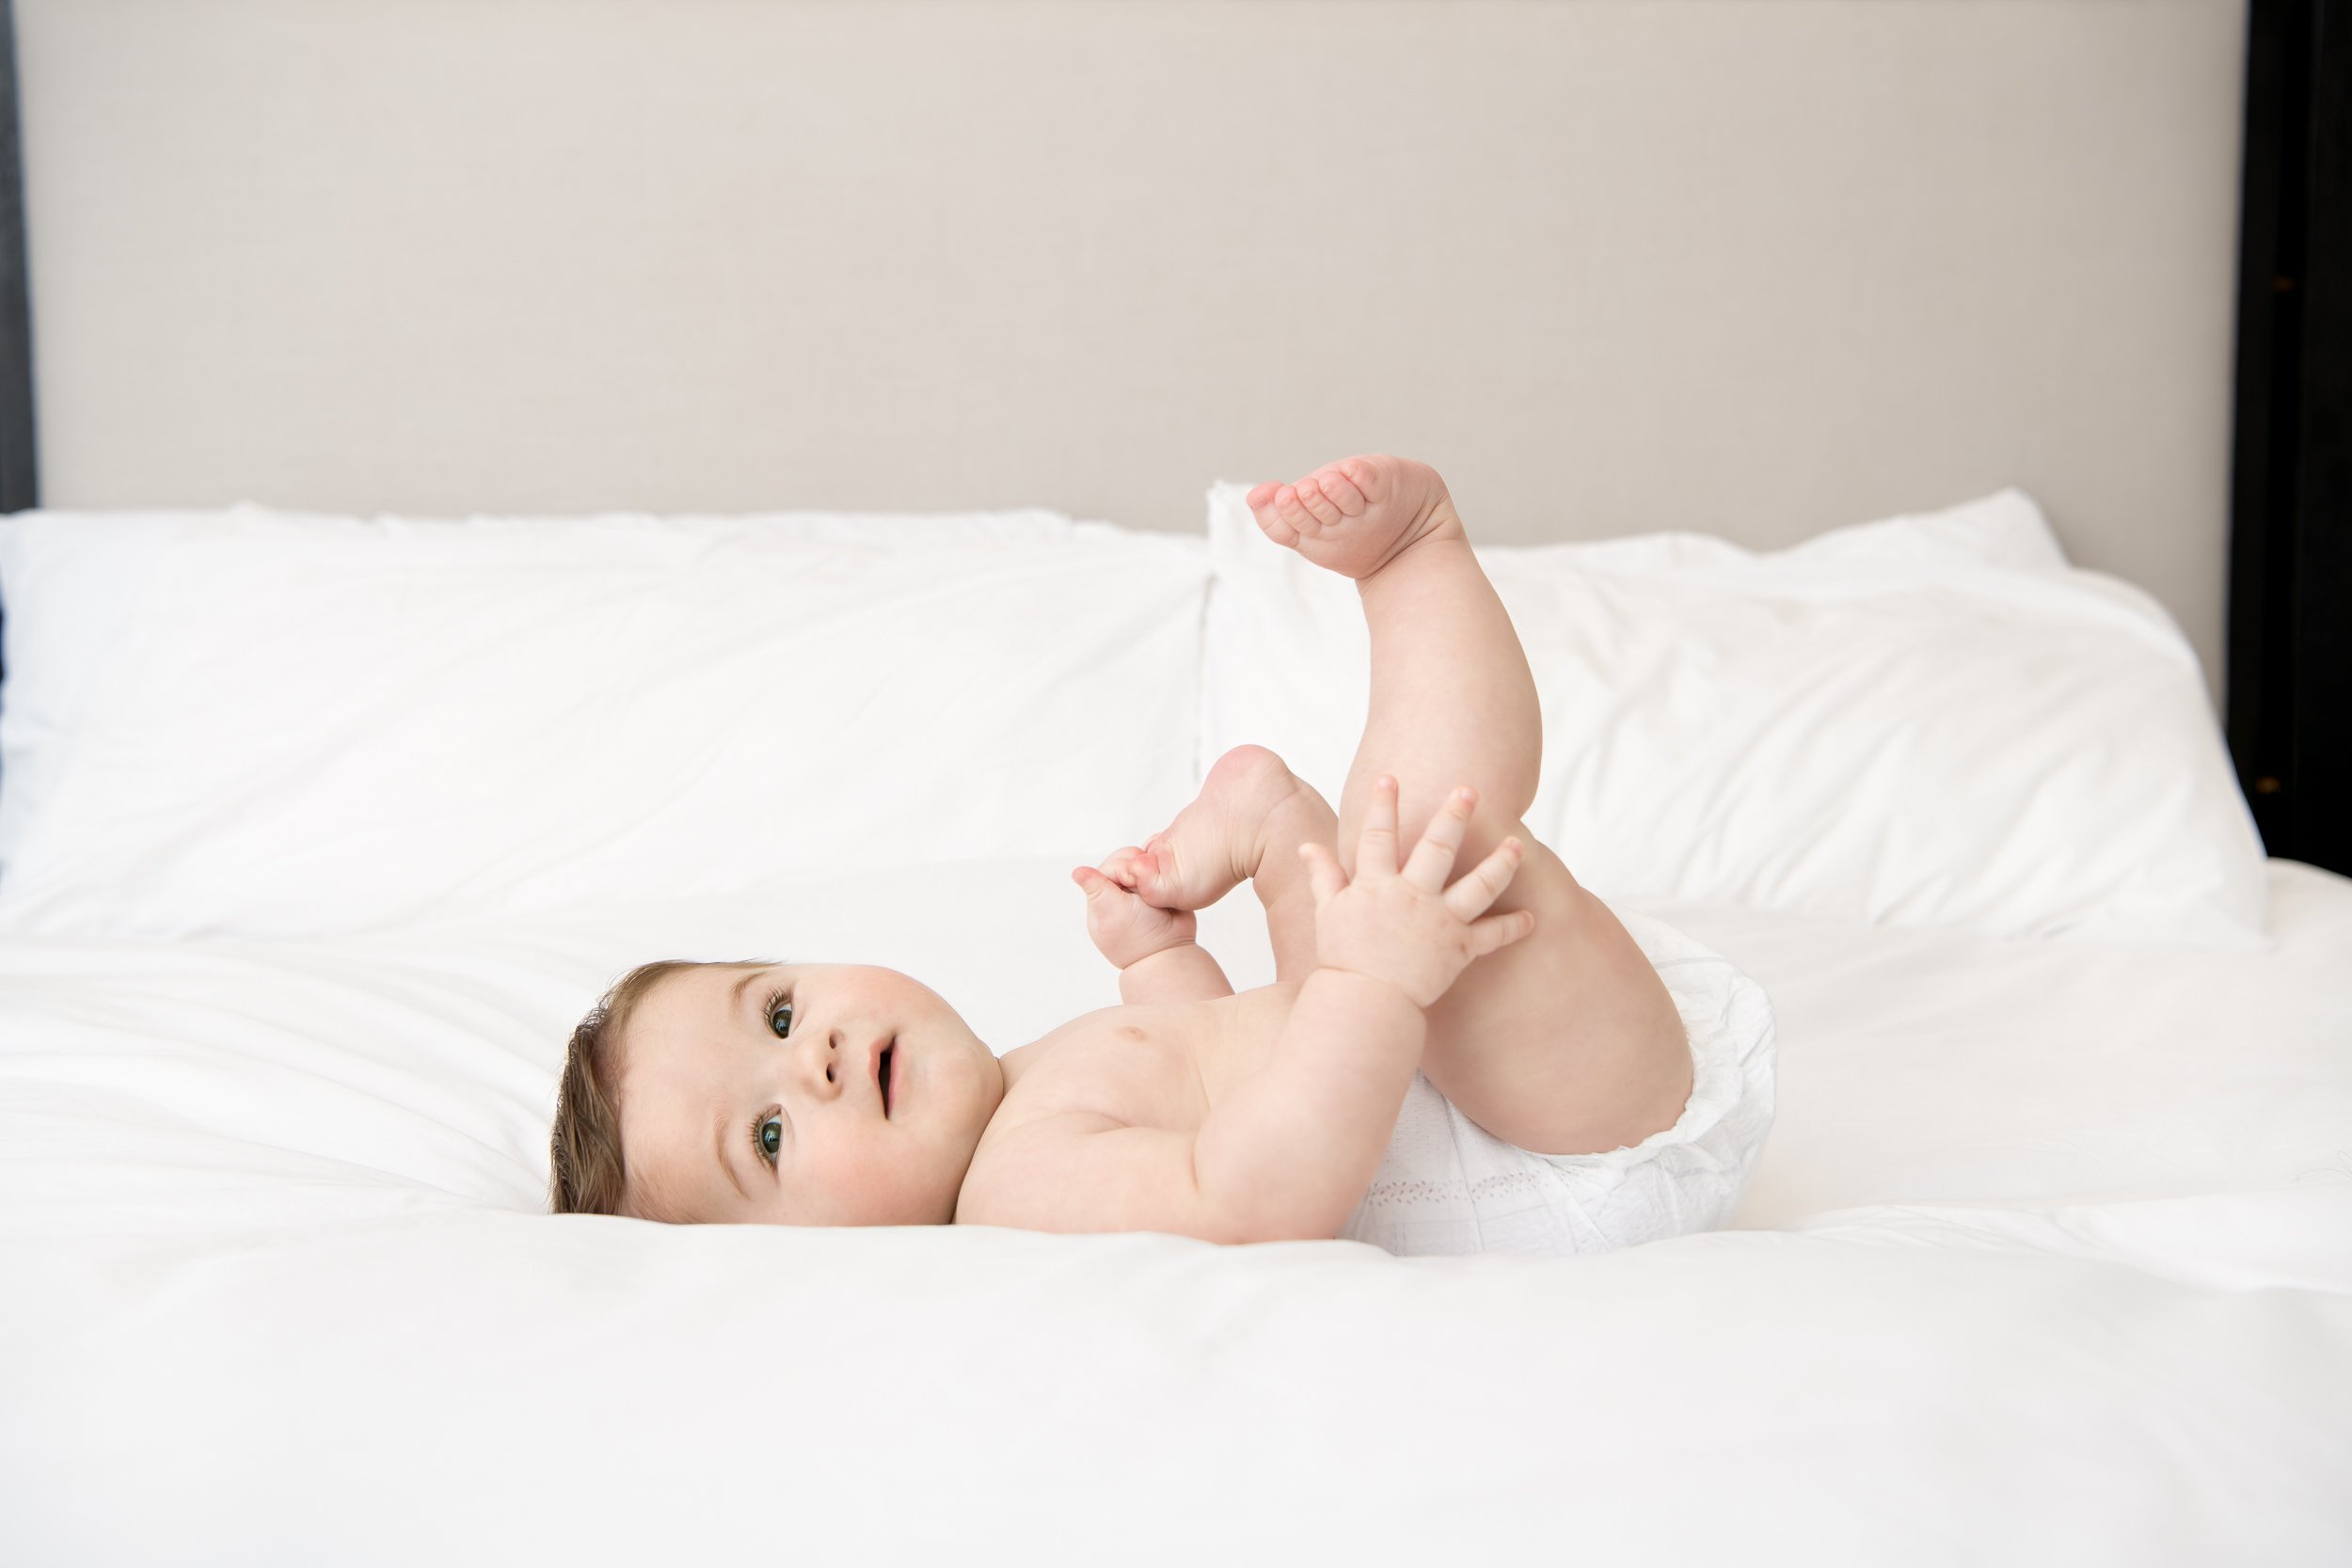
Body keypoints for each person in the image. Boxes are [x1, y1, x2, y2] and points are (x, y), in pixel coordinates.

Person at [548, 453, 1775, 1255]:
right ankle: (1415, 568)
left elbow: (1205, 1074)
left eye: (774, 1012)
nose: (808, 1063)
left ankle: (1268, 804)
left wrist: (1157, 966)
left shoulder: (1023, 1090)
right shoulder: (1014, 1196)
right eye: (767, 1139)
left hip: (1452, 1073)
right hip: (1560, 1156)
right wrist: (1373, 985)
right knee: (1418, 853)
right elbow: (1242, 1194)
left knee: (1375, 857)